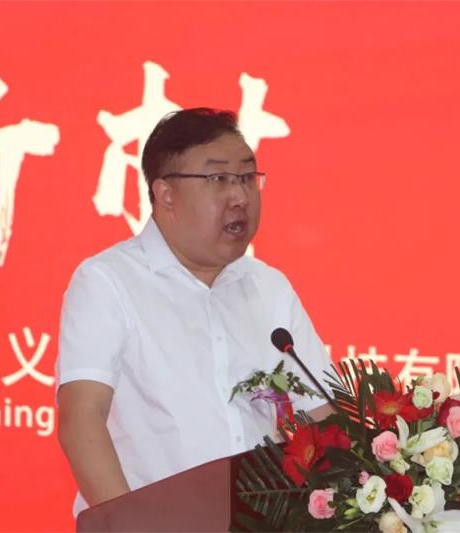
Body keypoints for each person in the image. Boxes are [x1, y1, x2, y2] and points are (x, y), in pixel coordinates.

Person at [55, 108, 333, 515]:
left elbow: (323, 417)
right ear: (166, 194)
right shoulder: (108, 282)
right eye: (219, 179)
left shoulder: (269, 287)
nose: (240, 197)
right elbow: (81, 419)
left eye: (247, 177)